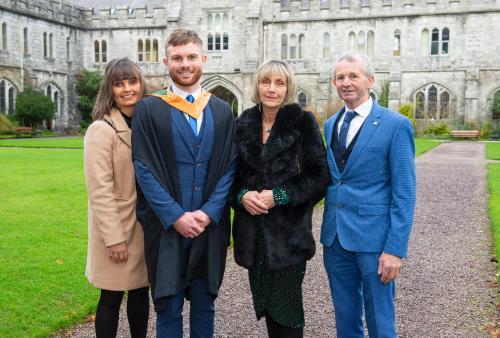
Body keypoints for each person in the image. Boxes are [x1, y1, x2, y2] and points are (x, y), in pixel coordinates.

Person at [131, 29, 236, 338]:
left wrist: (208, 213)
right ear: (166, 62)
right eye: (177, 58)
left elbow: (230, 166)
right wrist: (176, 216)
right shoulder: (149, 109)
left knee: (205, 309)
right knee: (169, 309)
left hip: (209, 229)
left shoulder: (221, 110)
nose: (185, 64)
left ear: (203, 59)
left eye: (191, 57)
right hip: (166, 230)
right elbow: (143, 167)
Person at [231, 60, 329, 338]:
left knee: (287, 311)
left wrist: (281, 195)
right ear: (257, 85)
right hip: (253, 237)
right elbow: (230, 178)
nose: (271, 89)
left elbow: (319, 176)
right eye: (265, 82)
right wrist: (242, 196)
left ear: (288, 88)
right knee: (267, 306)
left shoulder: (302, 121)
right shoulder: (244, 122)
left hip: (288, 236)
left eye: (279, 83)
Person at [321, 52, 416, 338]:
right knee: (345, 317)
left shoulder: (395, 125)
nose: (346, 82)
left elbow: (405, 192)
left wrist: (395, 249)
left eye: (353, 76)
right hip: (335, 237)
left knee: (380, 320)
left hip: (375, 240)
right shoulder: (330, 124)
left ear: (370, 80)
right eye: (340, 77)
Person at [83, 57, 149, 338]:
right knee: (111, 297)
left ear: (141, 84)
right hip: (117, 228)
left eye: (132, 81)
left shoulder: (145, 124)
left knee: (140, 293)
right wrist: (114, 238)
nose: (127, 89)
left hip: (144, 226)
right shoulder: (101, 129)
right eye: (119, 84)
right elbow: (99, 190)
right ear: (110, 89)